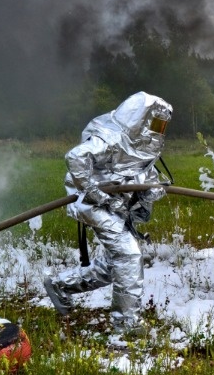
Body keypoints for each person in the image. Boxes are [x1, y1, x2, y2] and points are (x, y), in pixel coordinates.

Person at [43, 92, 172, 335]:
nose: (158, 130)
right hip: (92, 202)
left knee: (118, 265)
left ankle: (61, 286)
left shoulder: (143, 145)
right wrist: (97, 194)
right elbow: (76, 157)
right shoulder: (111, 137)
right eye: (154, 123)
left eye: (162, 125)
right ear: (140, 118)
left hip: (116, 202)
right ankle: (126, 324)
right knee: (129, 255)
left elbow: (144, 173)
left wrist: (151, 191)